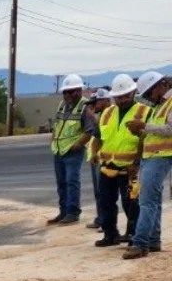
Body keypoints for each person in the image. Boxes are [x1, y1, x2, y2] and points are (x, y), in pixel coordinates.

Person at [94, 74, 149, 249]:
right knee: (105, 202)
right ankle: (110, 234)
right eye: (118, 97)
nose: (122, 100)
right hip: (107, 166)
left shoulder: (144, 112)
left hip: (130, 168)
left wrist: (137, 163)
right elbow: (98, 136)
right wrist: (94, 153)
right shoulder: (108, 112)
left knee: (131, 203)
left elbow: (145, 141)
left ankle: (133, 235)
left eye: (125, 96)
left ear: (133, 93)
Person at [123, 71, 172, 259]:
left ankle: (140, 243)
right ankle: (152, 241)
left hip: (161, 156)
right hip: (153, 155)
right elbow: (156, 131)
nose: (148, 99)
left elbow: (170, 130)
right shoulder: (161, 105)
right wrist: (140, 132)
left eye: (149, 93)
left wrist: (143, 126)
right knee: (154, 201)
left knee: (147, 201)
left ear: (161, 85)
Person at [47, 74, 90, 225]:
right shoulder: (62, 105)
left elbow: (89, 130)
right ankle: (63, 211)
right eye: (65, 92)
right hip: (59, 150)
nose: (67, 95)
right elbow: (57, 125)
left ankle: (73, 212)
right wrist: (53, 139)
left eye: (70, 92)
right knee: (61, 182)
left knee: (71, 181)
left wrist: (78, 145)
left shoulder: (85, 106)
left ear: (79, 91)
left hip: (73, 152)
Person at [84, 87, 111, 229]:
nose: (93, 106)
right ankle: (100, 218)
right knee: (98, 192)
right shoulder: (102, 115)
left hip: (105, 158)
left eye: (95, 103)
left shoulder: (109, 115)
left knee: (104, 193)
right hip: (96, 157)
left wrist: (91, 115)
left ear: (105, 100)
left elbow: (102, 135)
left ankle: (105, 222)